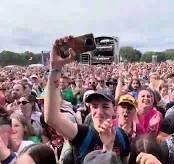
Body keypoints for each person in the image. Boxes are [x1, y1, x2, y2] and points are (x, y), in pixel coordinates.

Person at [44, 35, 130, 164]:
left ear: (115, 110)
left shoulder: (122, 136)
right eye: (94, 106)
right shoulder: (83, 134)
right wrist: (55, 68)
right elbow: (51, 118)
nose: (99, 111)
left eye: (105, 106)